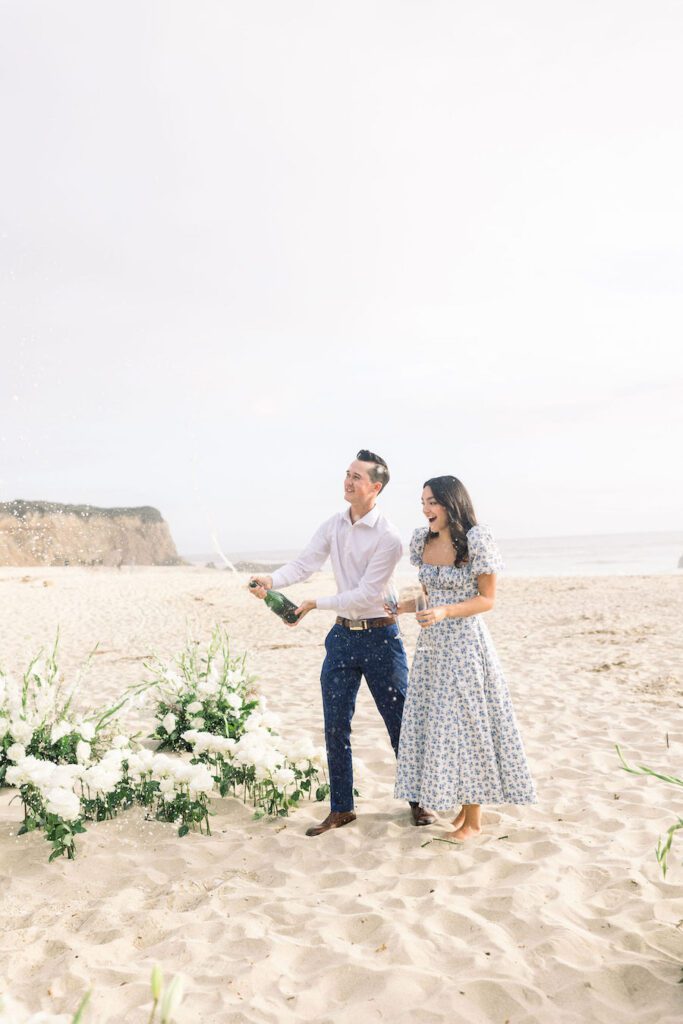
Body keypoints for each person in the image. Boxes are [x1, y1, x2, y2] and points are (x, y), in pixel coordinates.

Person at [248, 450, 434, 836]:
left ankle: (420, 801)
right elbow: (304, 564)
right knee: (335, 725)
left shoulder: (389, 537)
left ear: (376, 487)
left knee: (399, 721)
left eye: (357, 477)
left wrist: (316, 603)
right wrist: (271, 581)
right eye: (347, 474)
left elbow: (368, 594)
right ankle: (341, 808)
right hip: (342, 639)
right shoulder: (333, 524)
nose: (348, 482)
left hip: (382, 636)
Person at [393, 476, 536, 840]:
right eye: (422, 502)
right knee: (440, 724)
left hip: (464, 645)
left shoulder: (477, 540)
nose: (425, 509)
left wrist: (443, 613)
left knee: (467, 725)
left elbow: (487, 599)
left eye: (432, 502)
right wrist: (403, 607)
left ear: (451, 503)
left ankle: (474, 820)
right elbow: (429, 597)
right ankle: (462, 810)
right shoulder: (423, 542)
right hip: (431, 650)